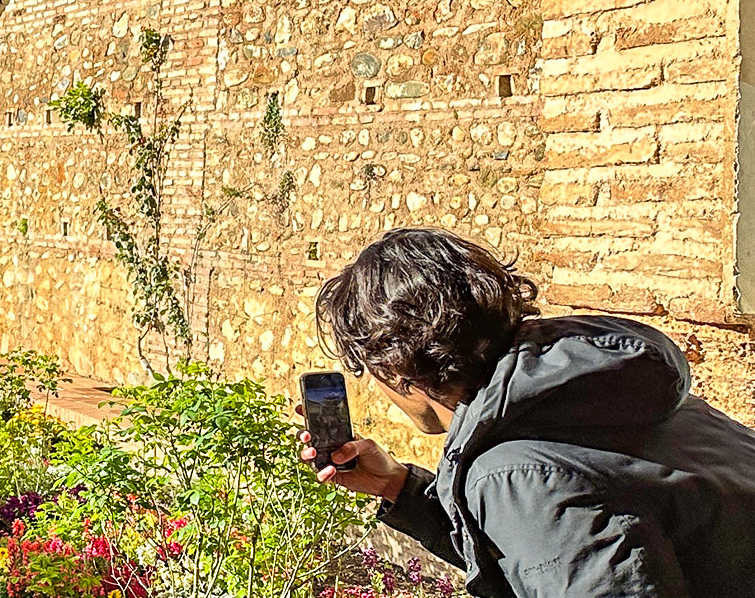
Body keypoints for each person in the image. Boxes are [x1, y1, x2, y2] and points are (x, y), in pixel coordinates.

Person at [303, 228, 755, 597]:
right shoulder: (600, 387)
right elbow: (540, 548)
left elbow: (552, 514)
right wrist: (399, 487)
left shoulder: (518, 475)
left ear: (394, 368)